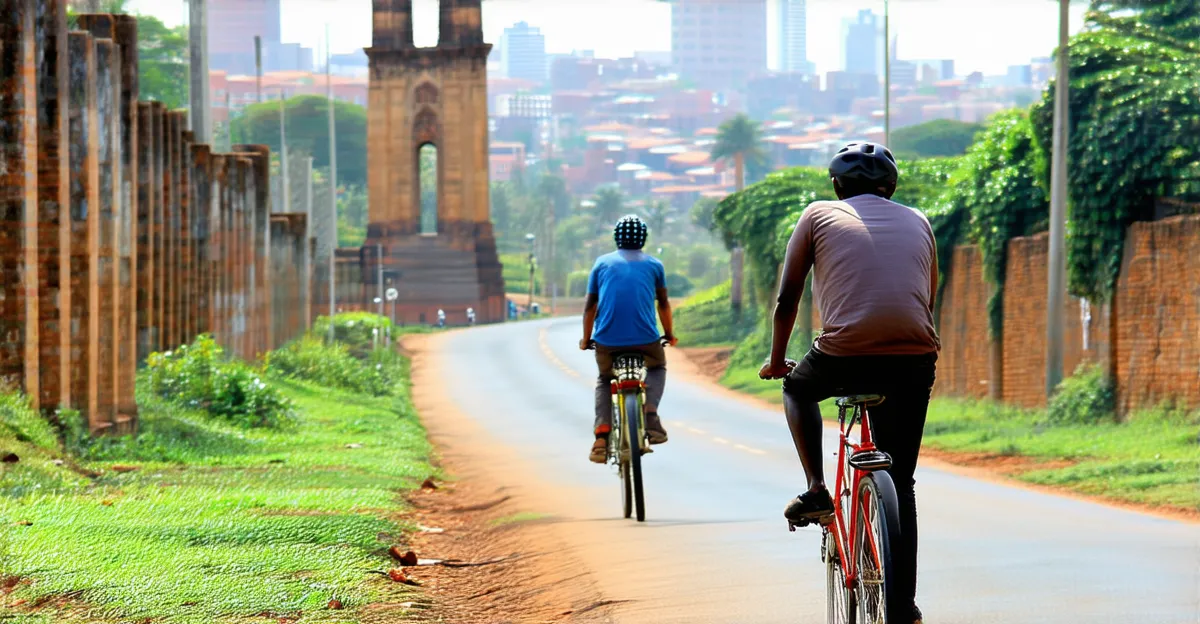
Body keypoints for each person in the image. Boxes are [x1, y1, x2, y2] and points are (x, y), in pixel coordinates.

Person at [758, 142, 940, 624]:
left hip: (843, 354)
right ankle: (903, 605)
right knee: (901, 482)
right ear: (892, 187)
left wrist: (778, 360)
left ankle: (818, 489)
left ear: (836, 186)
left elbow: (787, 298)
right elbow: (926, 295)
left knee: (798, 388)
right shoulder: (919, 220)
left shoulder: (818, 214)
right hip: (914, 357)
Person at [580, 214, 678, 464]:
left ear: (617, 238)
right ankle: (651, 415)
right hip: (647, 339)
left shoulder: (602, 264)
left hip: (607, 341)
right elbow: (663, 304)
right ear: (643, 239)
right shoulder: (655, 265)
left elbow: (591, 306)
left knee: (605, 379)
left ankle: (601, 437)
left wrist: (585, 339)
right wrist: (669, 334)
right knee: (657, 367)